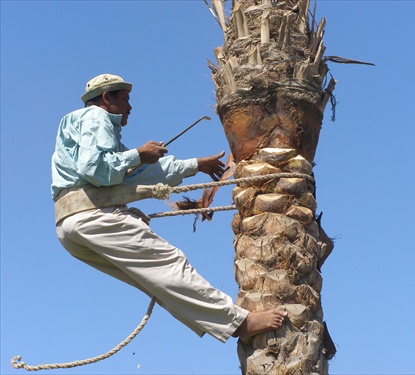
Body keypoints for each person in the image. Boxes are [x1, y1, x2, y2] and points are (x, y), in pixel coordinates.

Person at [51, 73, 286, 343]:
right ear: (106, 98)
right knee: (169, 265)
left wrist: (195, 164)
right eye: (125, 100)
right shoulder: (95, 117)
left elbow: (132, 174)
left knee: (157, 282)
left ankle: (227, 323)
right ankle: (239, 323)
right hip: (93, 217)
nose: (130, 107)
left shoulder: (82, 130)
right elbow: (96, 169)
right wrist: (139, 154)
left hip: (70, 227)